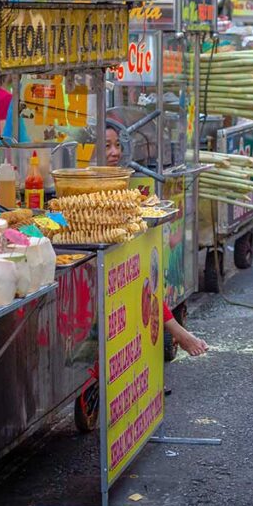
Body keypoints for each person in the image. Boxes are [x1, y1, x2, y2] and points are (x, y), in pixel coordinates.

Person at [103, 123, 209, 356]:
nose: (115, 153)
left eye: (118, 146)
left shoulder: (119, 182)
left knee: (145, 281)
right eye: (107, 146)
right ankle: (178, 332)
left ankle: (174, 331)